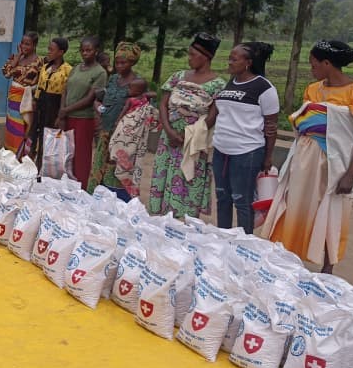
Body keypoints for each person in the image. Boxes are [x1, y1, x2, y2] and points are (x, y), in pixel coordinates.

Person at [260, 41, 353, 274]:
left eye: (314, 64)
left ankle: (327, 265)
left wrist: (350, 174)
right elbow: (305, 121)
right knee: (296, 205)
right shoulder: (313, 90)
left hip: (335, 161)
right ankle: (290, 257)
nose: (311, 69)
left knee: (331, 208)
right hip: (305, 157)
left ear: (326, 63)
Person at [148, 33, 226, 218]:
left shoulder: (218, 85)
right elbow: (163, 104)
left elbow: (212, 116)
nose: (188, 58)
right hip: (169, 139)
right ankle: (161, 219)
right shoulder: (178, 77)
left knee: (188, 177)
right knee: (164, 174)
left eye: (192, 54)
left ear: (206, 56)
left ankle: (183, 222)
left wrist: (187, 134)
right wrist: (169, 131)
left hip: (193, 141)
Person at [211, 42, 279, 234]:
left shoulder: (264, 88)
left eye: (234, 59)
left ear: (248, 62)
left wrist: (267, 157)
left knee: (242, 200)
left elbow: (271, 126)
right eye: (229, 58)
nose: (229, 62)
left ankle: (244, 243)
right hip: (221, 150)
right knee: (223, 197)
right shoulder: (230, 83)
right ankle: (222, 237)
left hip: (247, 152)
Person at [89, 42, 144, 200]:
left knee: (117, 172)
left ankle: (116, 204)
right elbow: (102, 99)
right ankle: (96, 202)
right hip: (105, 131)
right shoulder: (113, 79)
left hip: (123, 138)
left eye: (123, 63)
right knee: (99, 168)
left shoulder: (137, 83)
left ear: (132, 62)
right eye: (117, 62)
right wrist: (98, 107)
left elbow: (141, 108)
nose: (119, 66)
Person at [56, 36, 107, 189]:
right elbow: (65, 90)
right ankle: (64, 186)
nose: (85, 53)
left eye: (88, 50)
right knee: (66, 153)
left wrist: (66, 110)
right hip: (67, 117)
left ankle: (79, 188)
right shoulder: (76, 68)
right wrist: (62, 113)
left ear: (96, 51)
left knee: (80, 156)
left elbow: (90, 99)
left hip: (84, 119)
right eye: (82, 50)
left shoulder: (100, 72)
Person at [109, 78, 160, 198]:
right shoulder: (138, 99)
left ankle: (128, 188)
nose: (128, 90)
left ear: (137, 90)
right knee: (125, 151)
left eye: (131, 88)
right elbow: (125, 113)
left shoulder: (136, 100)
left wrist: (117, 121)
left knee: (131, 155)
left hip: (135, 132)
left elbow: (124, 111)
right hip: (128, 128)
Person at [28, 38, 71, 170]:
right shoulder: (45, 67)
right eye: (48, 49)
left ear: (61, 52)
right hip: (41, 104)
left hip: (54, 105)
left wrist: (61, 115)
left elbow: (66, 93)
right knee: (36, 134)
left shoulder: (67, 70)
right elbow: (40, 86)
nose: (48, 52)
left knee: (49, 136)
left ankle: (45, 167)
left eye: (52, 50)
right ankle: (33, 164)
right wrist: (35, 100)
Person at [1, 31, 44, 154]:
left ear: (34, 45)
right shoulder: (15, 57)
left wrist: (35, 100)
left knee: (25, 127)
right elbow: (6, 74)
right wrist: (18, 56)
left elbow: (41, 83)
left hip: (29, 99)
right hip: (14, 98)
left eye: (27, 44)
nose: (24, 46)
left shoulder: (39, 61)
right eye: (22, 43)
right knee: (13, 125)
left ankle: (21, 155)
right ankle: (11, 152)